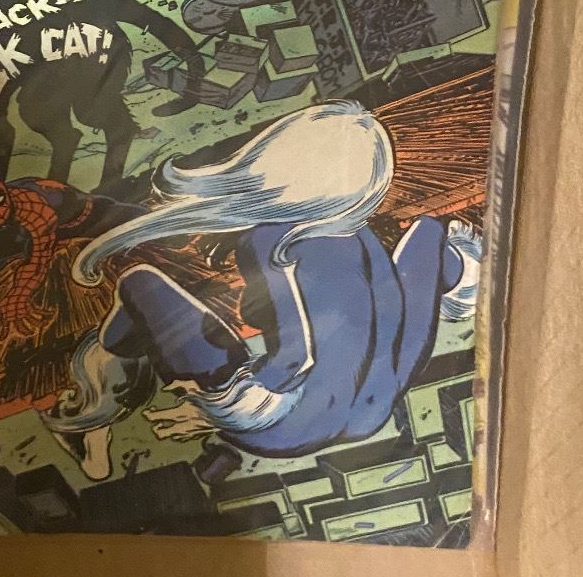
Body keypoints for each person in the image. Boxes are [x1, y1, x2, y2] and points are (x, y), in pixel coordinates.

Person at [46, 102, 477, 479]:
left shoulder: (272, 241)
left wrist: (227, 410)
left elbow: (295, 356)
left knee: (139, 284)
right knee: (428, 231)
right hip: (374, 409)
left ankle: (91, 412)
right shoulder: (355, 230)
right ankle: (467, 280)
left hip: (287, 428)